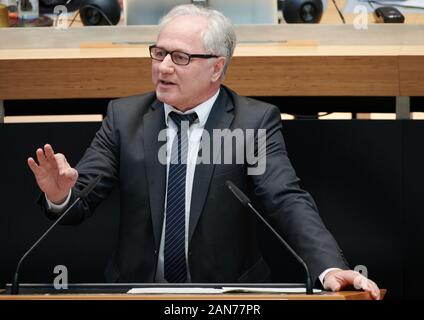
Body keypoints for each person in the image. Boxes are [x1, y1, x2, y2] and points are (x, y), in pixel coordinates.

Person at [27, 4, 380, 299]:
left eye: (180, 57)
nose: (163, 67)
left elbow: (285, 197)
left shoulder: (252, 121)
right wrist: (61, 194)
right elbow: (82, 197)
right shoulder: (125, 118)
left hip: (228, 295)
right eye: (159, 53)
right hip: (138, 291)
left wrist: (330, 266)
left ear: (216, 67)